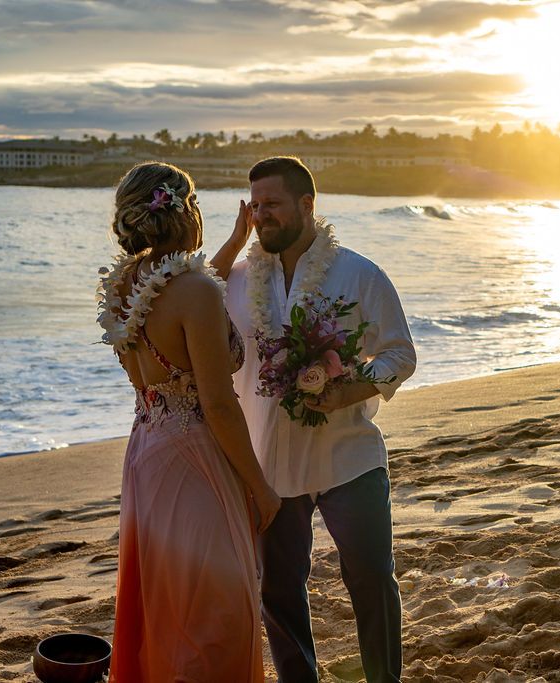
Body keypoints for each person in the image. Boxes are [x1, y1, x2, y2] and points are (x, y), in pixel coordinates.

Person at [212, 156, 416, 683]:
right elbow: (194, 298)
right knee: (279, 590)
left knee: (372, 577)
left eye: (273, 204)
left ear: (307, 205)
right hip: (271, 464)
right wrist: (233, 243)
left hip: (348, 456)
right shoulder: (236, 280)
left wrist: (351, 389)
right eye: (254, 205)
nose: (261, 215)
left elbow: (400, 354)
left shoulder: (359, 273)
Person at [97, 162, 281, 681]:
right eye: (195, 203)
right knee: (217, 612)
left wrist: (234, 243)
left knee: (168, 602)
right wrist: (261, 488)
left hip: (146, 454)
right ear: (184, 211)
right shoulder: (193, 290)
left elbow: (181, 300)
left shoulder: (125, 285)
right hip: (194, 458)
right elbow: (218, 405)